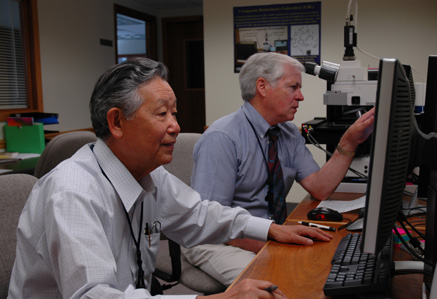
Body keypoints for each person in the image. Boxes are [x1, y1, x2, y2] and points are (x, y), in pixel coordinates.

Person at [8, 57, 333, 299]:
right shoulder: (72, 191)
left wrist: (272, 229)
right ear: (117, 122)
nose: (175, 126)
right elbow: (95, 295)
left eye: (174, 113)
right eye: (162, 114)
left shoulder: (150, 176)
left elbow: (200, 214)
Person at [182, 52, 375, 286]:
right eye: (293, 87)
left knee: (319, 266)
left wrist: (348, 143)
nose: (301, 96)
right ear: (262, 87)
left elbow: (320, 187)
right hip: (217, 240)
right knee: (284, 282)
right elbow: (213, 223)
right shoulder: (222, 138)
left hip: (266, 231)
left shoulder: (288, 133)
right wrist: (274, 242)